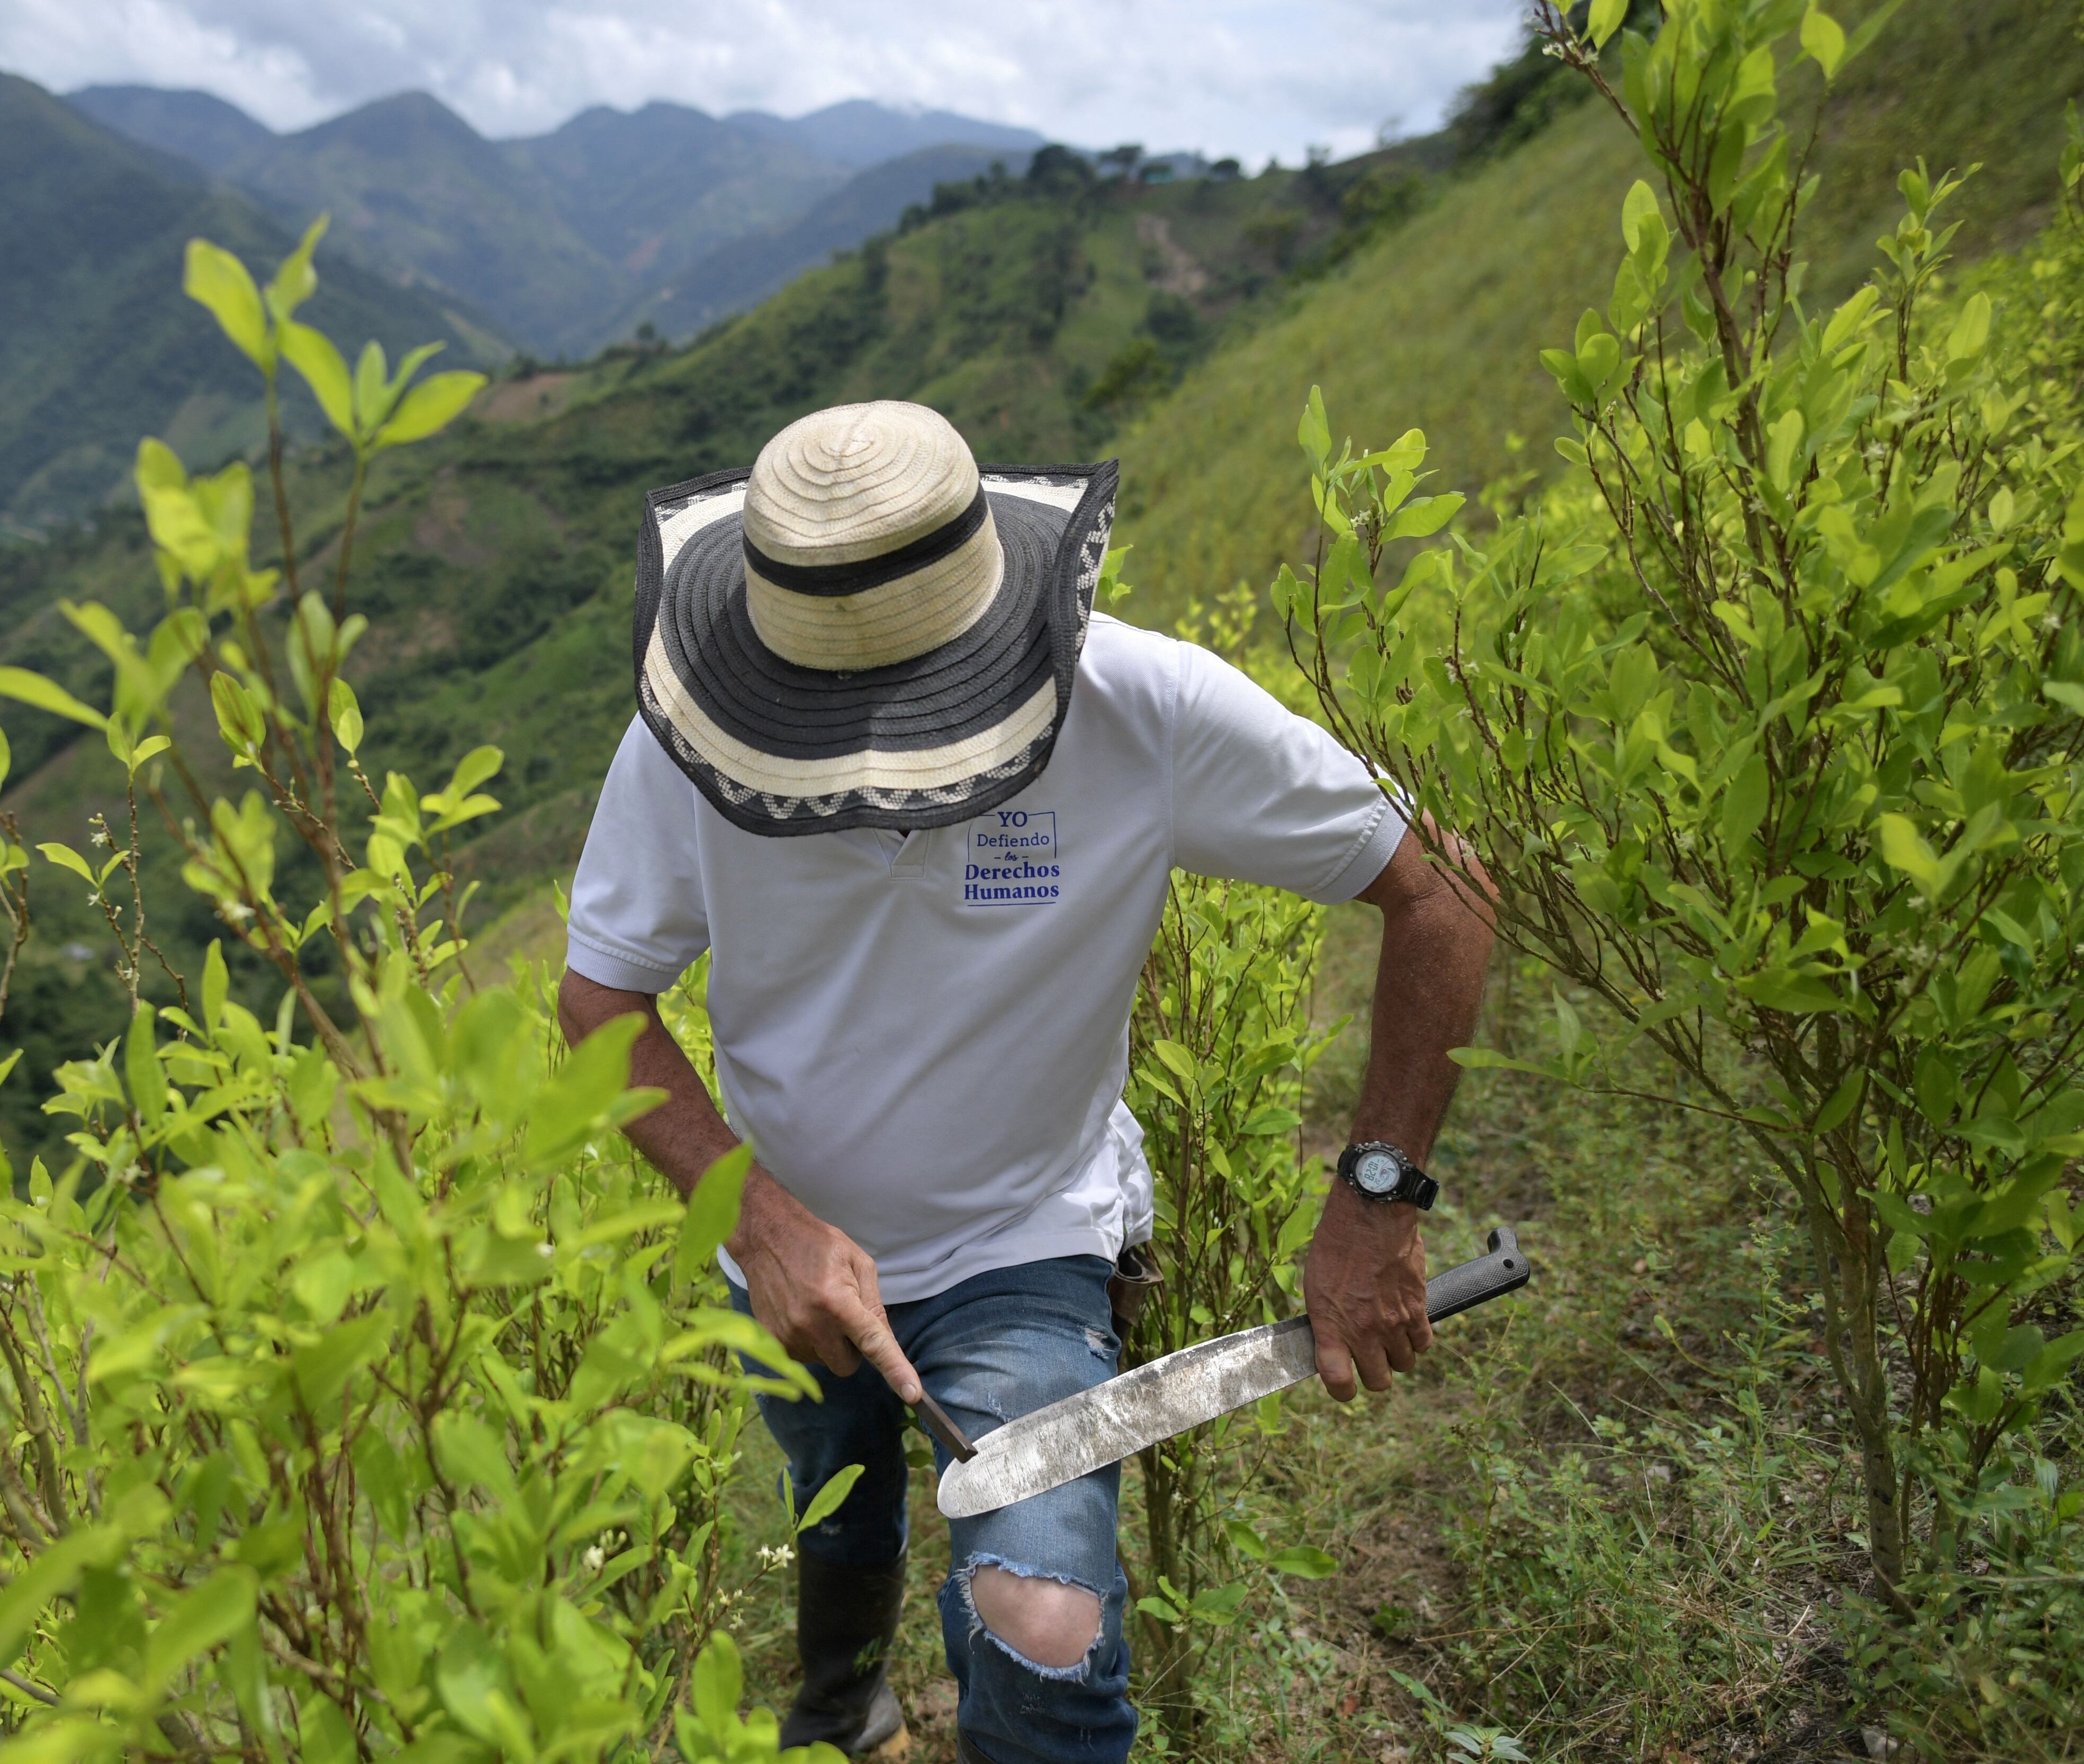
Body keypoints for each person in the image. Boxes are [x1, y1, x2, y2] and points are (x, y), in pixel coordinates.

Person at [558, 402, 1494, 1764]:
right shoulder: (692, 737)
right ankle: (841, 1699)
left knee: (1041, 1622)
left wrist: (1375, 1200)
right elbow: (595, 1001)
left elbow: (1444, 895)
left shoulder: (1143, 705)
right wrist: (760, 1223)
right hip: (780, 1236)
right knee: (836, 1484)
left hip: (1025, 1238)